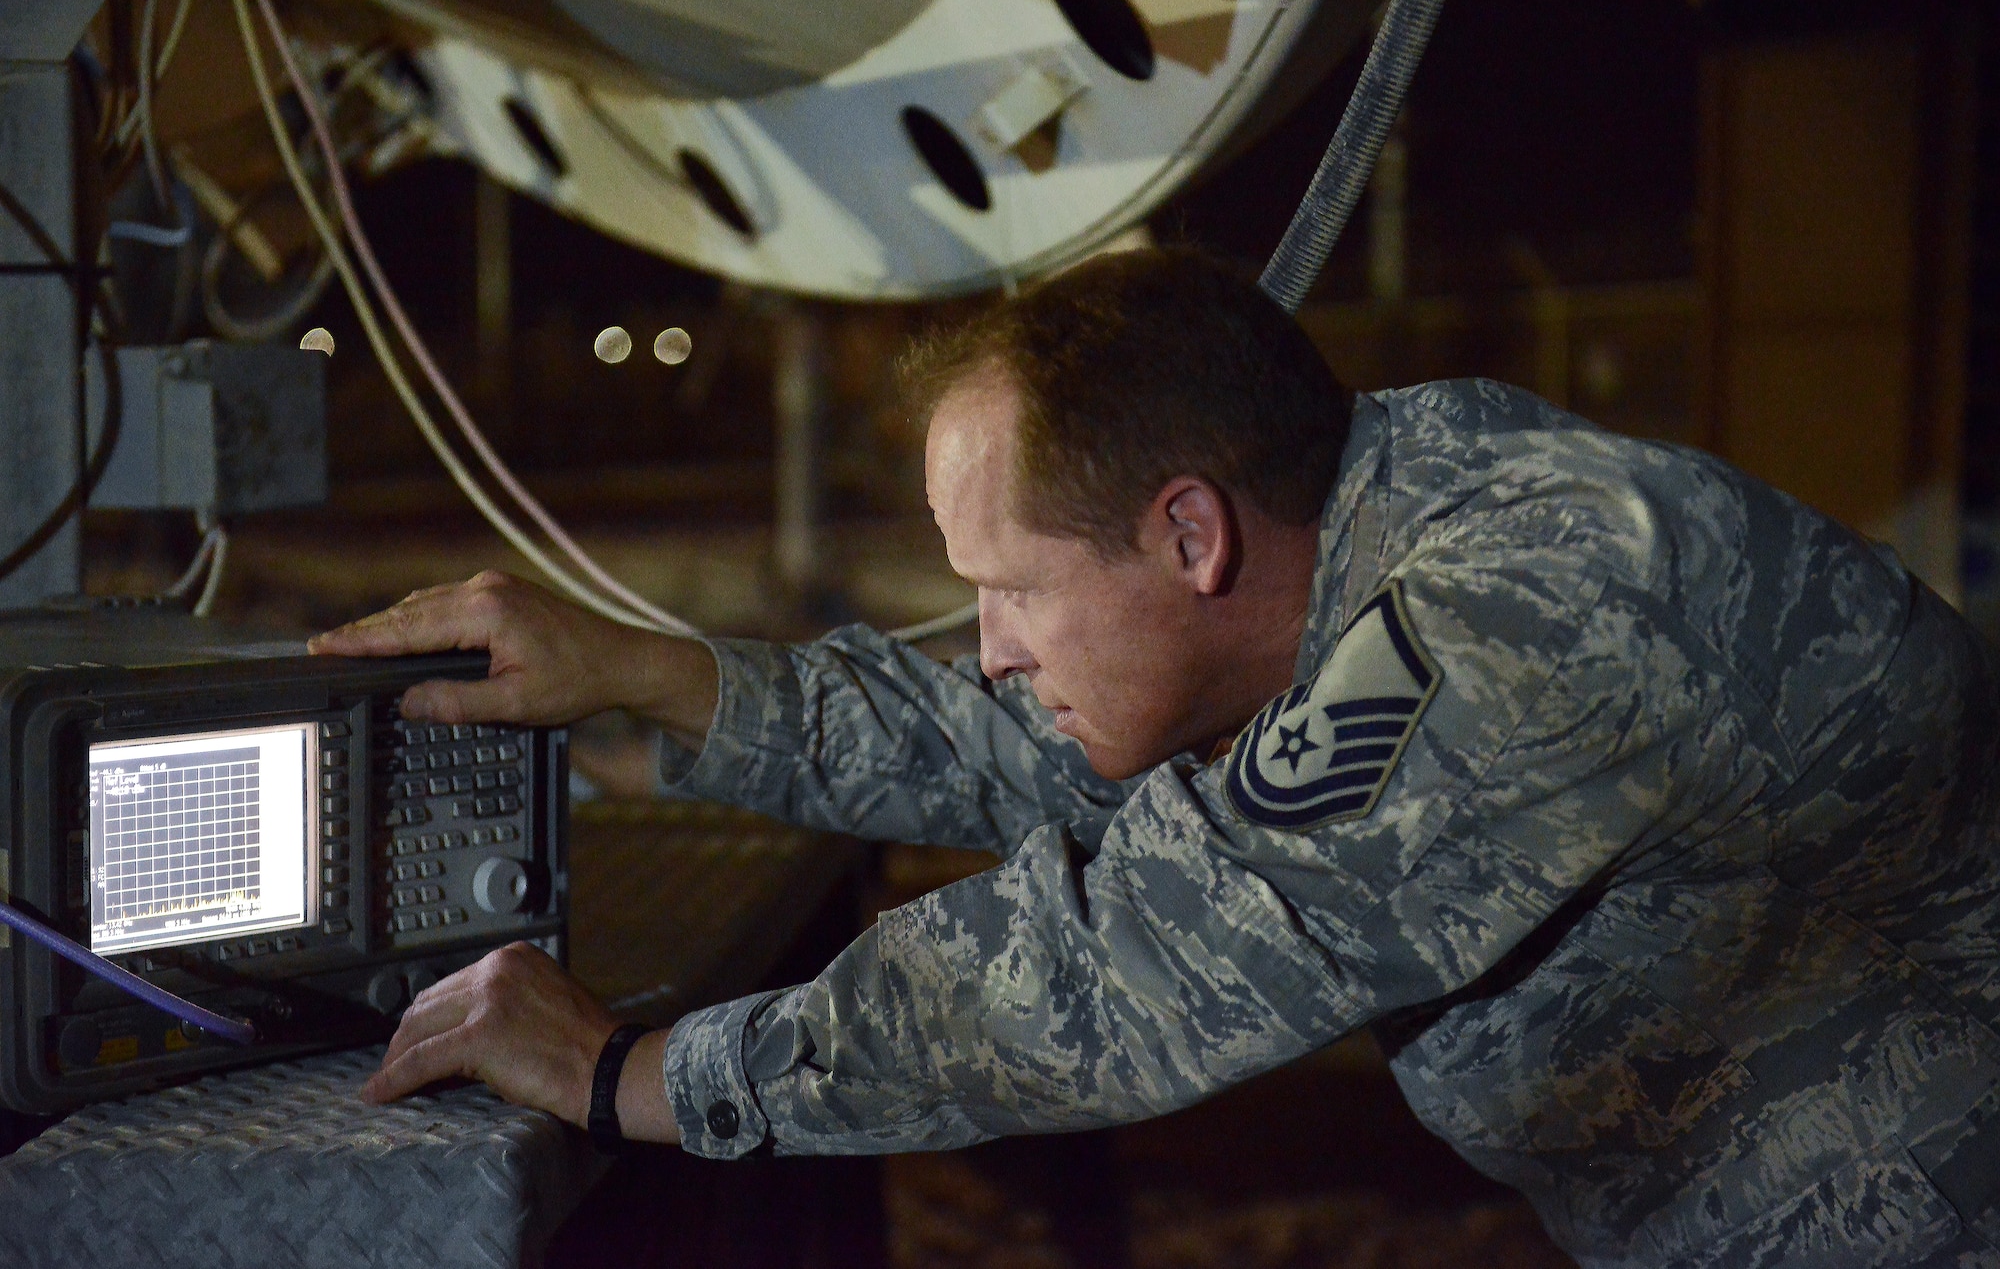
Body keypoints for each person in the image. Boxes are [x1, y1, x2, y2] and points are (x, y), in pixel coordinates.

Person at [311, 247, 2000, 1266]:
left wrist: (626, 1077)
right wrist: (644, 678)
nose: (988, 641)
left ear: (1187, 531)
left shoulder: (1525, 609)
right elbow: (1025, 744)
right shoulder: (1344, 539)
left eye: (1009, 587)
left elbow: (1116, 972)